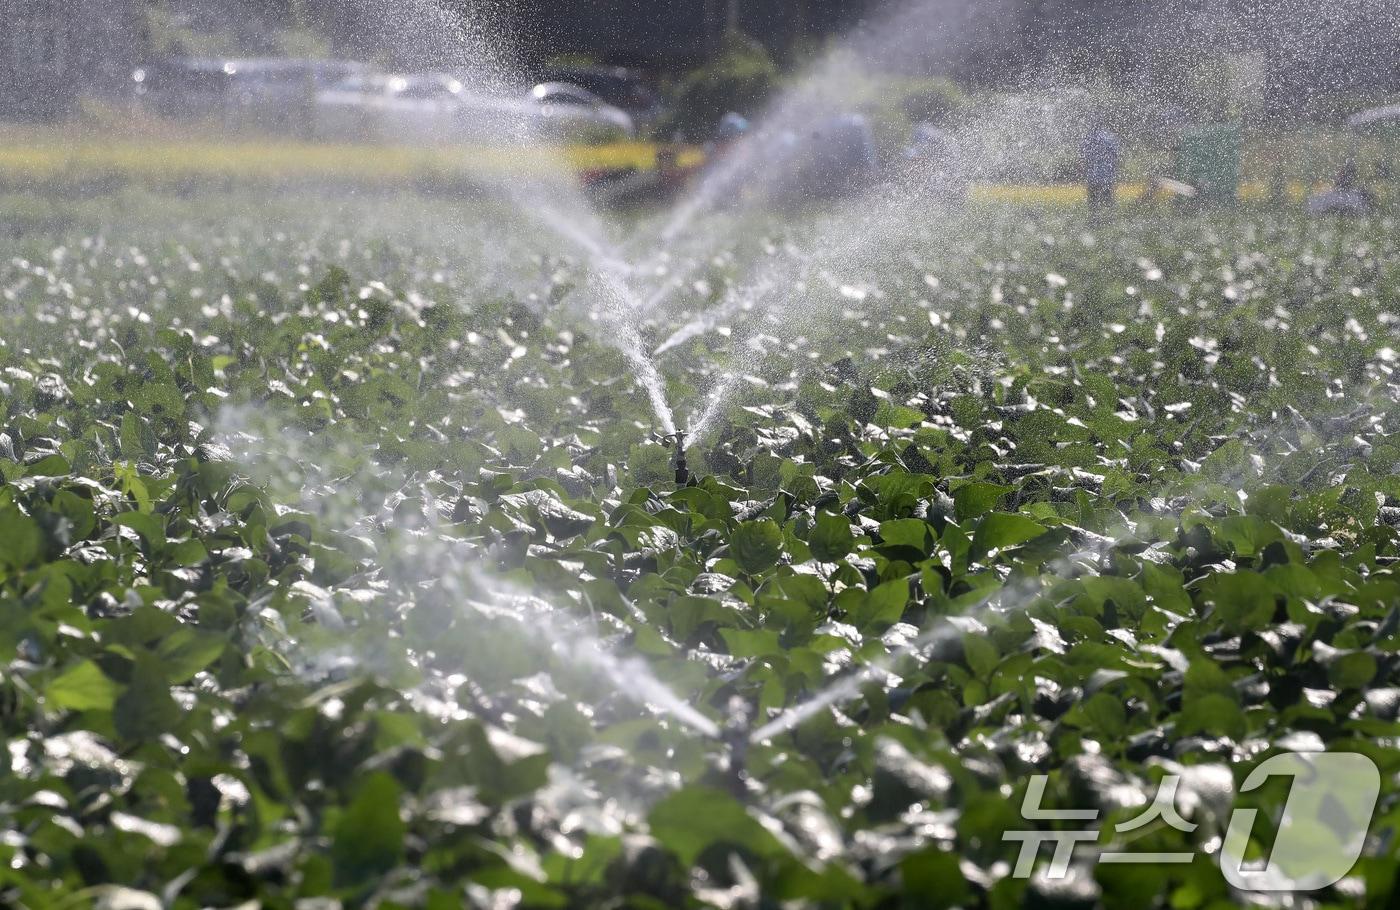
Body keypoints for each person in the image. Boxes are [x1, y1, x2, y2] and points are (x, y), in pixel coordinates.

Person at [1082, 124, 1122, 215]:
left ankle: (1095, 217)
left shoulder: (1089, 138)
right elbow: (1116, 156)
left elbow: (1084, 157)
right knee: (1108, 197)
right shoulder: (1110, 138)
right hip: (1107, 175)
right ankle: (1109, 217)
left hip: (1093, 175)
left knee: (1093, 200)